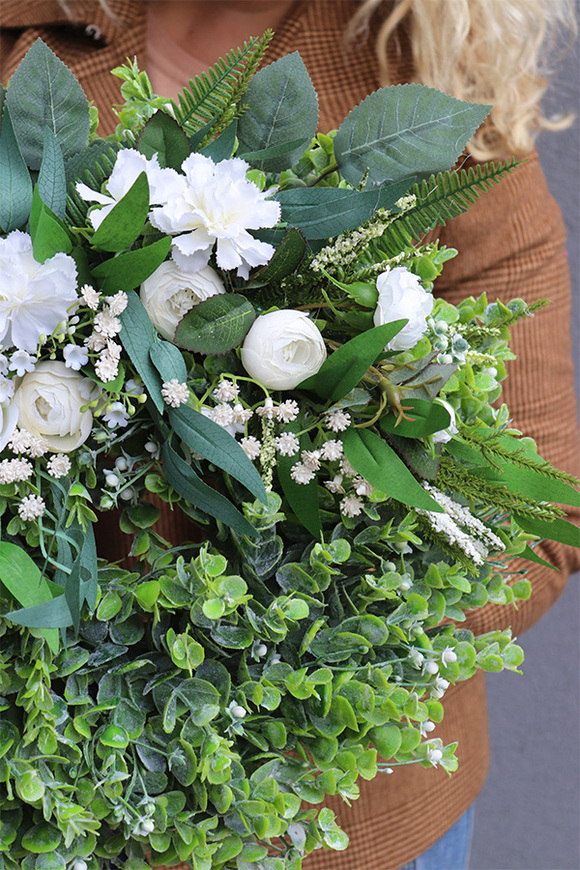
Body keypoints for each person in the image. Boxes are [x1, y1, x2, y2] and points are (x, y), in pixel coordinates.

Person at [1, 2, 578, 868]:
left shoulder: (441, 95)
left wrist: (297, 676)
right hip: (35, 787)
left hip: (332, 811)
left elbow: (531, 512)